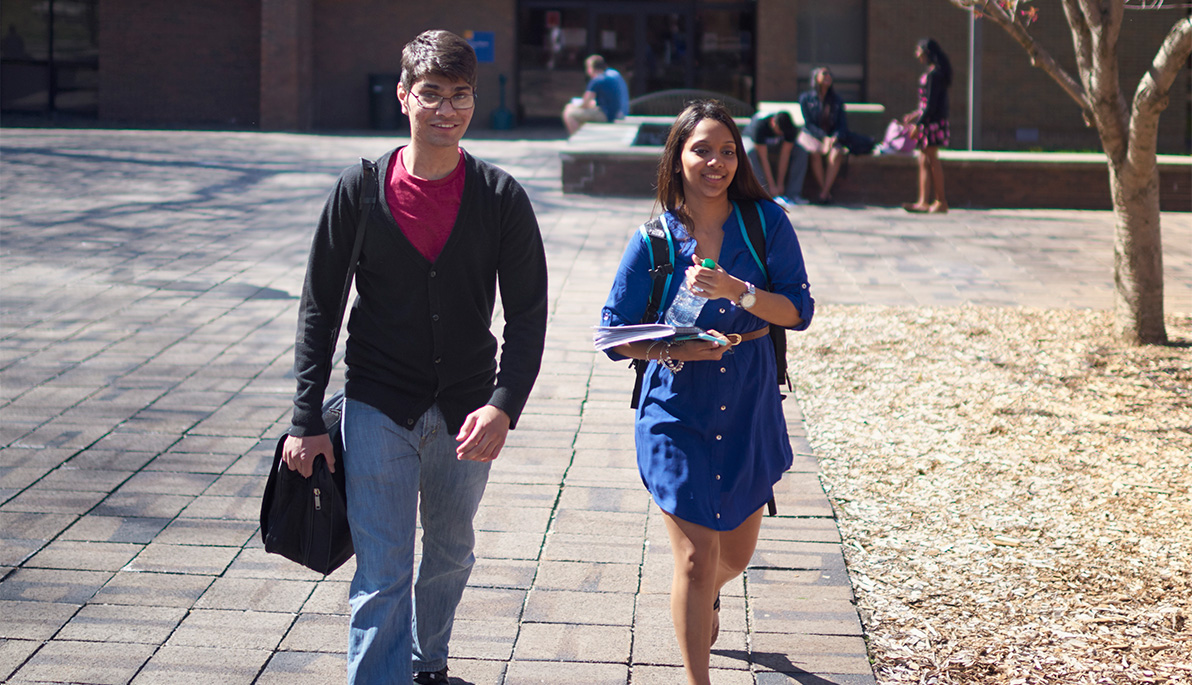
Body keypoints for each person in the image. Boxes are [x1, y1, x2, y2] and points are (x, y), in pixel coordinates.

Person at [282, 30, 548, 685]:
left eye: (460, 96)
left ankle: (429, 665)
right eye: (431, 94)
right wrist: (305, 417)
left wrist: (503, 407)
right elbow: (321, 304)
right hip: (377, 404)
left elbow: (529, 313)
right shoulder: (360, 189)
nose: (446, 110)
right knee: (382, 568)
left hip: (467, 414)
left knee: (452, 552)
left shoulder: (499, 197)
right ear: (403, 96)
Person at [599, 100, 814, 685]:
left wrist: (738, 290)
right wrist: (675, 349)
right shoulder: (653, 241)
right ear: (678, 158)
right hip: (676, 408)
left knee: (731, 559)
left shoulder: (766, 223)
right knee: (696, 560)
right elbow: (613, 336)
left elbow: (797, 311)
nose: (715, 161)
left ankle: (702, 599)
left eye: (726, 150)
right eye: (702, 150)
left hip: (748, 402)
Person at [902, 38, 952, 214]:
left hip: (932, 123)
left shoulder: (934, 75)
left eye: (919, 52)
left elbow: (931, 105)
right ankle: (923, 201)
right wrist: (914, 115)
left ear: (927, 52)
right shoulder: (933, 73)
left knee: (931, 158)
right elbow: (925, 104)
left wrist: (918, 124)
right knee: (923, 159)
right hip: (929, 120)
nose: (917, 56)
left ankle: (941, 201)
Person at [797, 66, 850, 204]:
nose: (828, 76)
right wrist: (823, 137)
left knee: (836, 154)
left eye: (830, 74)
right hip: (814, 136)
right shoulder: (806, 98)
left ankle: (824, 192)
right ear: (815, 78)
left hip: (833, 137)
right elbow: (808, 123)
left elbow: (842, 125)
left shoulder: (837, 100)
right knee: (815, 153)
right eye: (824, 74)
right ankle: (825, 192)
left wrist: (833, 138)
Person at [742, 109, 809, 210]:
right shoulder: (760, 125)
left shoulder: (790, 128)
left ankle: (793, 194)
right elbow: (763, 159)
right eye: (779, 130)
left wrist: (780, 184)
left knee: (801, 152)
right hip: (752, 141)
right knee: (749, 153)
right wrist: (772, 185)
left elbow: (784, 156)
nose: (780, 133)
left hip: (775, 146)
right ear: (773, 122)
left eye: (782, 133)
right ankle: (763, 194)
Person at [562, 54, 630, 135]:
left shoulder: (598, 79)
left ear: (591, 68)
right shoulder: (614, 73)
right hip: (621, 113)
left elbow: (584, 104)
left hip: (609, 116)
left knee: (569, 113)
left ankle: (578, 139)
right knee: (584, 112)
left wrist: (573, 106)